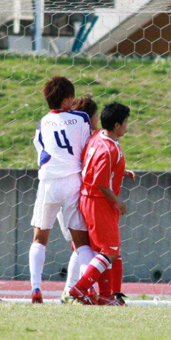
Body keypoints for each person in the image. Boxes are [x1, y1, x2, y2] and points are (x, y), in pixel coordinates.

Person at [30, 77, 95, 304]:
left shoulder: (43, 122)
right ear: (67, 100)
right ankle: (89, 287)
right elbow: (87, 147)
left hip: (48, 181)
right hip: (72, 181)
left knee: (39, 239)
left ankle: (36, 288)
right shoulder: (81, 118)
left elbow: (40, 150)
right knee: (81, 242)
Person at [69, 102, 135, 306]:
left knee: (106, 250)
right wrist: (117, 202)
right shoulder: (109, 149)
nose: (127, 127)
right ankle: (80, 288)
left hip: (89, 199)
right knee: (110, 251)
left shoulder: (97, 136)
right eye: (125, 123)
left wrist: (121, 172)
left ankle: (107, 295)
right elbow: (100, 182)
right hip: (99, 202)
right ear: (117, 125)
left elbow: (94, 167)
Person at [59, 95, 100, 304]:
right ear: (89, 117)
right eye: (96, 115)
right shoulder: (86, 138)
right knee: (84, 246)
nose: (98, 119)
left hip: (61, 189)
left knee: (79, 245)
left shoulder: (67, 132)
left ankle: (71, 291)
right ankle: (84, 290)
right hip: (77, 194)